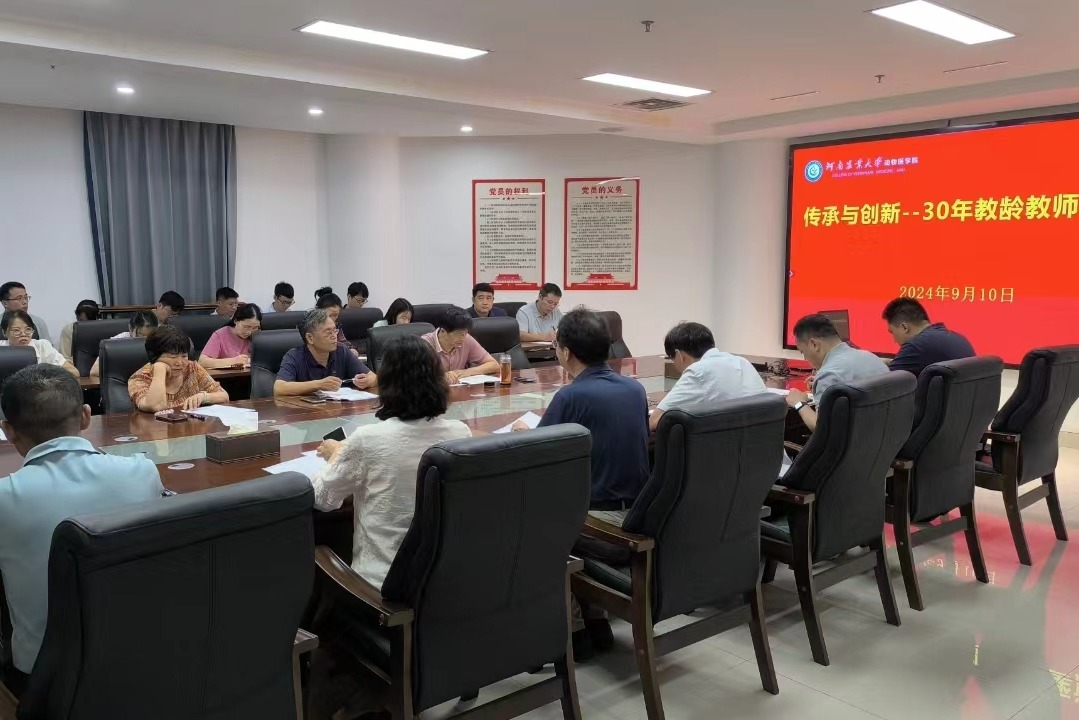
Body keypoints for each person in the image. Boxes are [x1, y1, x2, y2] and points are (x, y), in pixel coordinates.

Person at [305, 335, 470, 719]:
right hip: (446, 582)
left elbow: (324, 499)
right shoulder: (459, 433)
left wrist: (337, 456)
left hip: (385, 592)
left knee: (320, 564)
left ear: (387, 383)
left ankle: (340, 691)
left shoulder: (368, 439)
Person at [0, 365, 163, 698]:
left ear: (8, 430)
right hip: (143, 664)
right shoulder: (141, 471)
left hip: (46, 681)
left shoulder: (4, 497)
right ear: (86, 416)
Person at [513, 308, 648, 659]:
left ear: (566, 352)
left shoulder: (571, 397)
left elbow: (540, 453)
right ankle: (596, 619)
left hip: (601, 527)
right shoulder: (634, 389)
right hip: (640, 516)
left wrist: (524, 432)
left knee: (530, 523)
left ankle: (574, 631)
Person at [650, 322, 767, 431]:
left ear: (679, 355)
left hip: (726, 443)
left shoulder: (698, 371)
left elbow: (654, 421)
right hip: (764, 442)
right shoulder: (742, 362)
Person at [785, 314, 889, 432]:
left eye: (803, 352)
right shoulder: (871, 358)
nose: (805, 358)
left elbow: (820, 429)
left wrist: (799, 403)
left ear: (814, 344)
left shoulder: (828, 375)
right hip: (882, 437)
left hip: (853, 440)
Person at [274, 309, 376, 396]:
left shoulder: (342, 350)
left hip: (337, 409)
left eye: (335, 330)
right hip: (306, 411)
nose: (334, 336)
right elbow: (279, 388)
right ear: (310, 338)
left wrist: (366, 381)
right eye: (328, 332)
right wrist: (318, 385)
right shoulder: (294, 356)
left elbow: (374, 377)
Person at [129, 325, 229, 412]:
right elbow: (156, 406)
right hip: (155, 427)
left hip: (189, 426)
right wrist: (159, 370)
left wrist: (204, 397)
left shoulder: (192, 368)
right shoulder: (140, 378)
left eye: (184, 356)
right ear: (155, 356)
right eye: (172, 357)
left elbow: (224, 396)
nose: (179, 363)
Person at [882, 297, 975, 377]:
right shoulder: (958, 338)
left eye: (892, 332)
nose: (894, 340)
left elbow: (885, 382)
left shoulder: (915, 346)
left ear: (904, 327)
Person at [421, 307, 500, 384]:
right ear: (443, 331)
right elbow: (419, 377)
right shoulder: (425, 344)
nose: (463, 338)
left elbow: (494, 365)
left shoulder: (466, 339)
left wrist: (465, 372)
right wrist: (441, 376)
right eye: (458, 334)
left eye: (465, 333)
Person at [1, 310, 78, 377]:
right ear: (4, 332)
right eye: (16, 330)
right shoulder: (1, 349)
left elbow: (74, 372)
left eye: (28, 329)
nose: (23, 334)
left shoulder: (42, 347)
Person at [88, 311, 159, 377]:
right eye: (141, 335)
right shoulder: (116, 342)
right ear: (130, 329)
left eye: (150, 336)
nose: (146, 340)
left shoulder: (158, 340)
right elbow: (94, 371)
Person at [200, 303, 261, 369]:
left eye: (255, 328)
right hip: (225, 375)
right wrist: (233, 361)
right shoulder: (220, 335)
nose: (249, 332)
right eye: (246, 326)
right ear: (236, 321)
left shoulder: (258, 336)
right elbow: (202, 362)